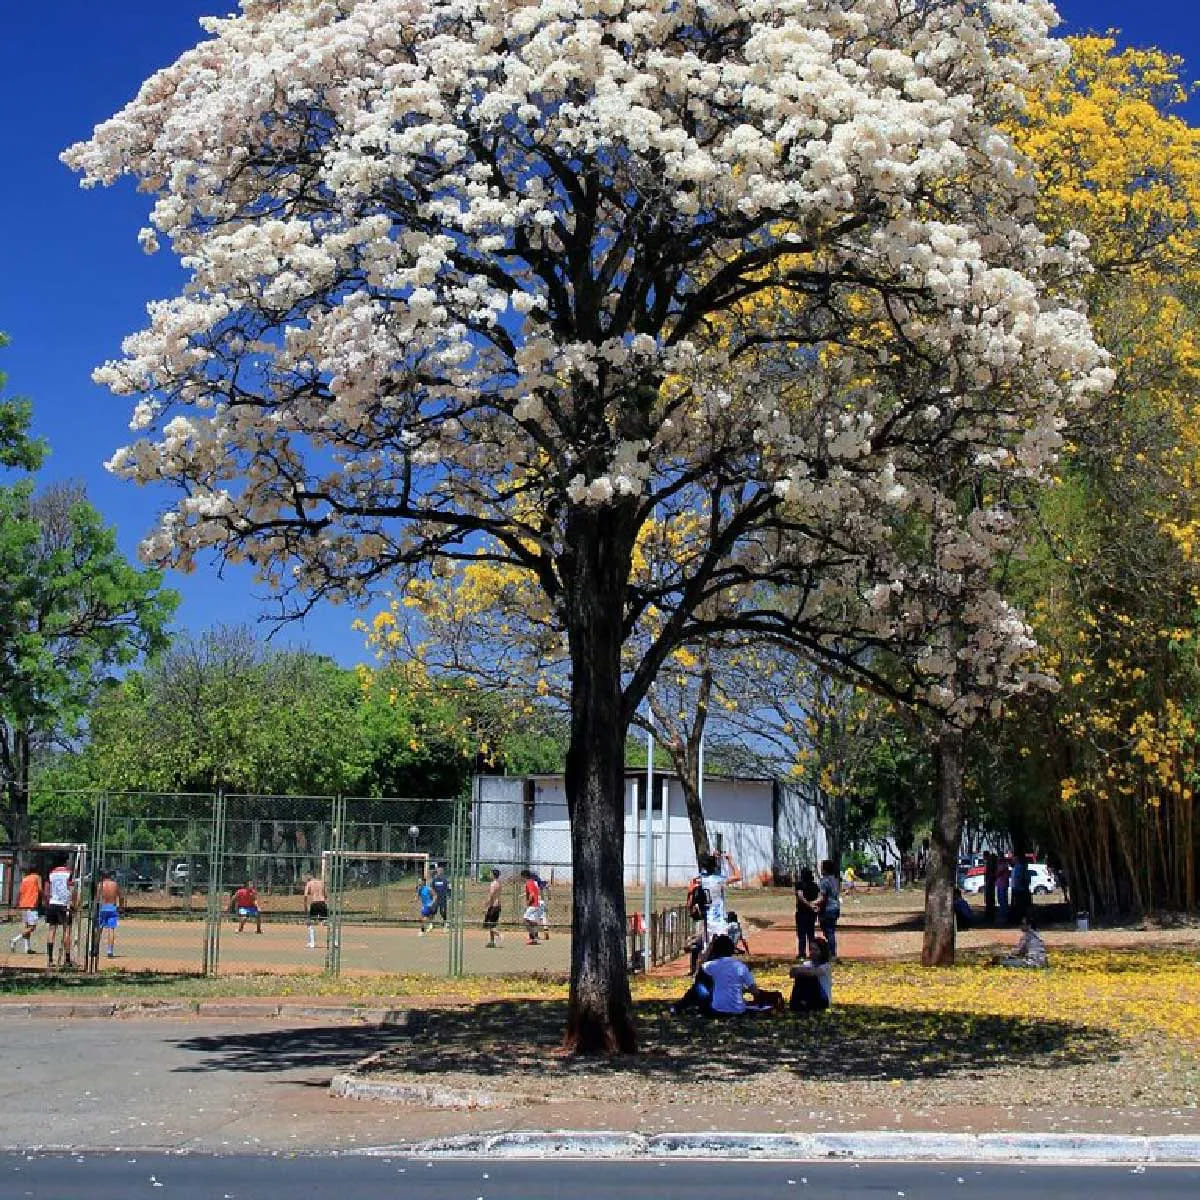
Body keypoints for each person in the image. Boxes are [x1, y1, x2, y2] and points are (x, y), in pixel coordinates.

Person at [671, 934, 781, 1017]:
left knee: (697, 986)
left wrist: (710, 947)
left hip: (716, 1010)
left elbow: (700, 967)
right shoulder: (741, 967)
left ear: (715, 950)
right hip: (738, 1010)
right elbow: (755, 992)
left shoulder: (711, 966)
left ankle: (679, 1007)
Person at [687, 850, 741, 974]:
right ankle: (722, 972)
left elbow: (690, 897)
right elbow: (738, 876)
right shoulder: (718, 880)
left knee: (706, 949)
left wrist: (713, 858)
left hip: (707, 919)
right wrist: (730, 860)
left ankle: (701, 972)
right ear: (715, 866)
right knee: (722, 948)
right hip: (719, 919)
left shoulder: (699, 880)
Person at [44, 854, 75, 968]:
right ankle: (67, 959)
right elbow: (72, 889)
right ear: (65, 862)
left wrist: (48, 903)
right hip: (64, 905)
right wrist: (73, 903)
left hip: (53, 903)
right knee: (66, 930)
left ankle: (50, 959)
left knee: (52, 930)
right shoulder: (69, 873)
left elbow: (47, 891)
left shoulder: (51, 874)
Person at [788, 935, 833, 1012]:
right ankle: (797, 1003)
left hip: (822, 1000)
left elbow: (814, 972)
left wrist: (800, 970)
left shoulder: (826, 966)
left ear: (822, 951)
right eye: (811, 949)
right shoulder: (807, 963)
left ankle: (804, 1003)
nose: (812, 952)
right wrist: (799, 971)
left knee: (809, 977)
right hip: (810, 998)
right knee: (801, 976)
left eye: (816, 950)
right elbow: (792, 973)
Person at [9, 866, 42, 955]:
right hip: (32, 905)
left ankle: (27, 948)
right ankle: (14, 940)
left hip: (23, 905)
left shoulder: (25, 879)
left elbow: (19, 892)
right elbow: (40, 889)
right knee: (32, 927)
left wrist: (16, 904)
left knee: (26, 927)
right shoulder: (37, 877)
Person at [816, 859, 842, 959]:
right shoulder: (835, 880)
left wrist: (812, 903)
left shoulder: (824, 881)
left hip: (827, 909)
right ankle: (831, 952)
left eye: (822, 867)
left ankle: (831, 953)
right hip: (835, 908)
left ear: (825, 869)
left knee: (829, 932)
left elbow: (823, 897)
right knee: (830, 931)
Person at [96, 869, 123, 959]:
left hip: (102, 907)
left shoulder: (100, 885)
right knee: (111, 929)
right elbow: (121, 896)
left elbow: (97, 898)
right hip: (112, 907)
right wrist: (121, 907)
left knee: (99, 929)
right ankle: (110, 950)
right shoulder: (114, 885)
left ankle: (95, 949)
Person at [794, 866, 819, 960]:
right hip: (811, 913)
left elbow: (800, 896)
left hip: (802, 912)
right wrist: (813, 905)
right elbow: (818, 897)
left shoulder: (799, 884)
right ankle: (812, 953)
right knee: (810, 934)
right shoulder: (815, 885)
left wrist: (808, 904)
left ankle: (802, 953)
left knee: (801, 934)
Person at [303, 873, 328, 949]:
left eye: (306, 876)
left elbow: (305, 895)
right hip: (322, 903)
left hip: (315, 903)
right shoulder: (321, 882)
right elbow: (326, 895)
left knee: (309, 923)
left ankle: (312, 943)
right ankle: (335, 942)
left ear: (310, 876)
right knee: (327, 922)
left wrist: (305, 906)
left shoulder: (309, 883)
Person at [520, 869, 542, 945]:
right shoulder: (533, 882)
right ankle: (533, 939)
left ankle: (533, 934)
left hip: (533, 905)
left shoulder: (529, 882)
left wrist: (528, 903)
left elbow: (532, 894)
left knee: (525, 919)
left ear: (525, 876)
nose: (522, 878)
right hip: (536, 904)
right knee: (530, 921)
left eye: (522, 877)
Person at [482, 868, 502, 947]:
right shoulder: (499, 883)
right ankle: (492, 941)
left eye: (490, 873)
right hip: (497, 905)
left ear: (493, 875)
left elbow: (491, 896)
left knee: (489, 924)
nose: (489, 875)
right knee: (492, 924)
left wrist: (486, 906)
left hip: (494, 906)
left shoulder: (493, 884)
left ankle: (498, 934)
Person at [1010, 854, 1032, 925]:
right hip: (1015, 888)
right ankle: (1018, 919)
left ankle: (1022, 919)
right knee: (1017, 904)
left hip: (1019, 889)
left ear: (1016, 860)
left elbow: (1019, 878)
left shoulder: (1019, 868)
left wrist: (1018, 886)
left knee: (1020, 905)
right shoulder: (1015, 868)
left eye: (1013, 860)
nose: (1012, 861)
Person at [430, 863, 451, 929]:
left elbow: (449, 888)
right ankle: (431, 924)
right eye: (438, 871)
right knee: (433, 910)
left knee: (443, 912)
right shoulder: (434, 880)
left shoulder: (445, 880)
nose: (439, 872)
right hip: (436, 898)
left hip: (443, 898)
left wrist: (449, 897)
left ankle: (445, 923)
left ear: (442, 871)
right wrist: (433, 896)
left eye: (441, 871)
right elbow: (432, 888)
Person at [995, 854, 1011, 925]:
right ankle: (1002, 915)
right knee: (1000, 900)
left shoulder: (1003, 865)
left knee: (1002, 900)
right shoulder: (1001, 865)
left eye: (999, 859)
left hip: (1002, 885)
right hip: (999, 884)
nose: (998, 860)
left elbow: (998, 873)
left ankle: (1004, 916)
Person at [983, 852, 998, 924]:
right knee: (990, 899)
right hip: (990, 883)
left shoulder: (990, 863)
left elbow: (990, 874)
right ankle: (990, 915)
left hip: (990, 883)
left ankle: (990, 915)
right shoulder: (990, 863)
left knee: (989, 899)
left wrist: (988, 881)